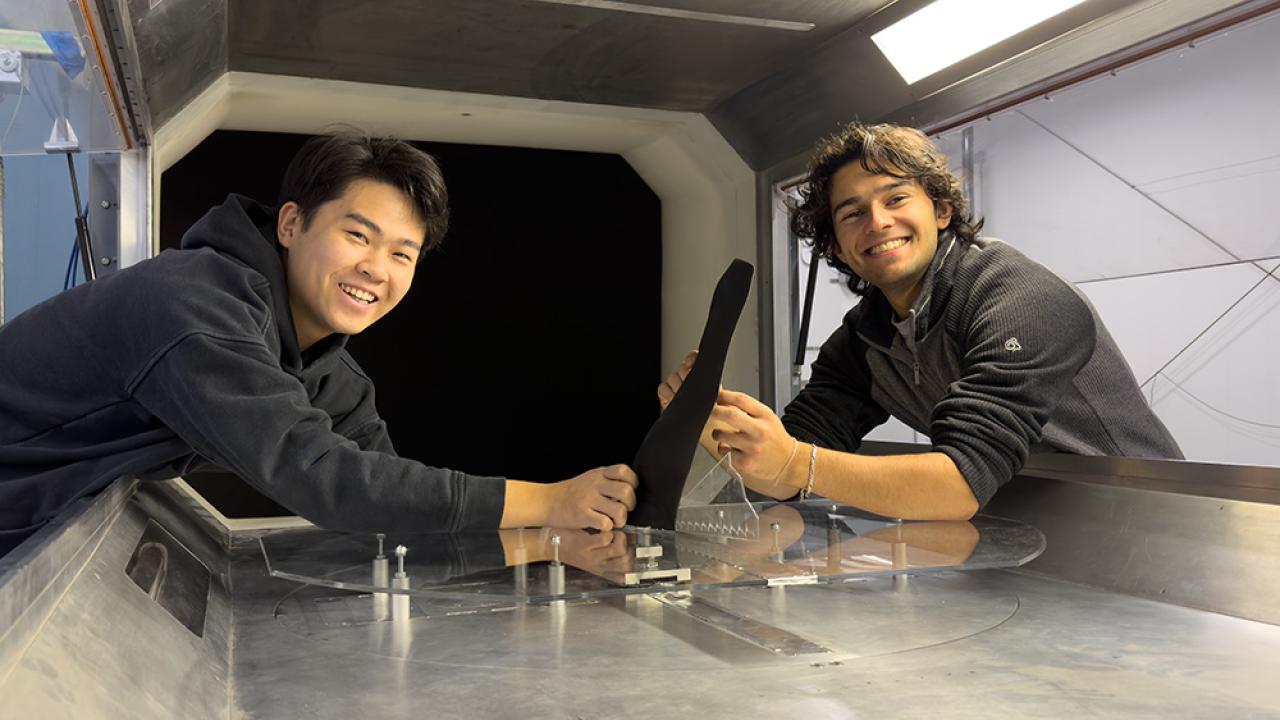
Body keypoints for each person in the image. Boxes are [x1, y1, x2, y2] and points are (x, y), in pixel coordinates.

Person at [0, 131, 636, 557]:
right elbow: (325, 479)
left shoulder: (331, 375)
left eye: (401, 254)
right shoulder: (193, 306)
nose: (376, 269)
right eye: (358, 236)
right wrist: (550, 498)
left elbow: (387, 504)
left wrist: (550, 542)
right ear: (291, 222)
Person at [659, 122, 1181, 521]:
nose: (878, 222)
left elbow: (959, 483)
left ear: (941, 209)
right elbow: (795, 470)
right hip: (1013, 525)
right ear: (836, 243)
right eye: (852, 213)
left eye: (896, 198)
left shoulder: (1019, 297)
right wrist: (726, 433)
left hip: (1147, 523)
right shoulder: (864, 337)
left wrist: (794, 461)